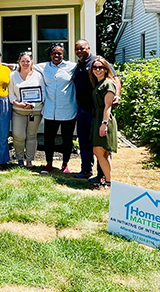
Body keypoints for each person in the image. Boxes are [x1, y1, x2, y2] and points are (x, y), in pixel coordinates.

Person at [73, 39, 121, 180]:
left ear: (89, 48)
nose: (80, 51)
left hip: (97, 111)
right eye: (77, 49)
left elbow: (116, 79)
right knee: (84, 142)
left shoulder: (98, 62)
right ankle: (86, 170)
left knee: (101, 144)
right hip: (82, 110)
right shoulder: (78, 66)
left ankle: (103, 175)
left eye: (82, 48)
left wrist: (117, 95)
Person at [35, 42, 77, 174]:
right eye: (54, 53)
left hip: (68, 109)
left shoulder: (72, 67)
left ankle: (65, 164)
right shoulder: (44, 67)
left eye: (59, 53)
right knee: (49, 139)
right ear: (50, 55)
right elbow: (26, 65)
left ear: (63, 54)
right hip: (50, 110)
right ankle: (48, 164)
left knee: (67, 139)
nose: (57, 55)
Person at [9, 52, 45, 167]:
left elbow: (43, 93)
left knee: (31, 135)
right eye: (23, 61)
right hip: (18, 110)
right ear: (19, 62)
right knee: (18, 135)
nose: (25, 63)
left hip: (34, 111)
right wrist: (16, 103)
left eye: (28, 61)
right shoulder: (13, 75)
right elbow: (10, 94)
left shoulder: (38, 75)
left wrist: (33, 104)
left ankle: (29, 160)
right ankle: (20, 159)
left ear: (32, 62)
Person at [89, 56, 119, 189]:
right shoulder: (98, 83)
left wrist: (104, 124)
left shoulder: (108, 83)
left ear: (106, 69)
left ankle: (108, 182)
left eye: (101, 67)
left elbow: (108, 106)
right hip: (98, 118)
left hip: (103, 120)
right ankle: (108, 180)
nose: (98, 70)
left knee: (99, 151)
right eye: (95, 67)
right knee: (104, 154)